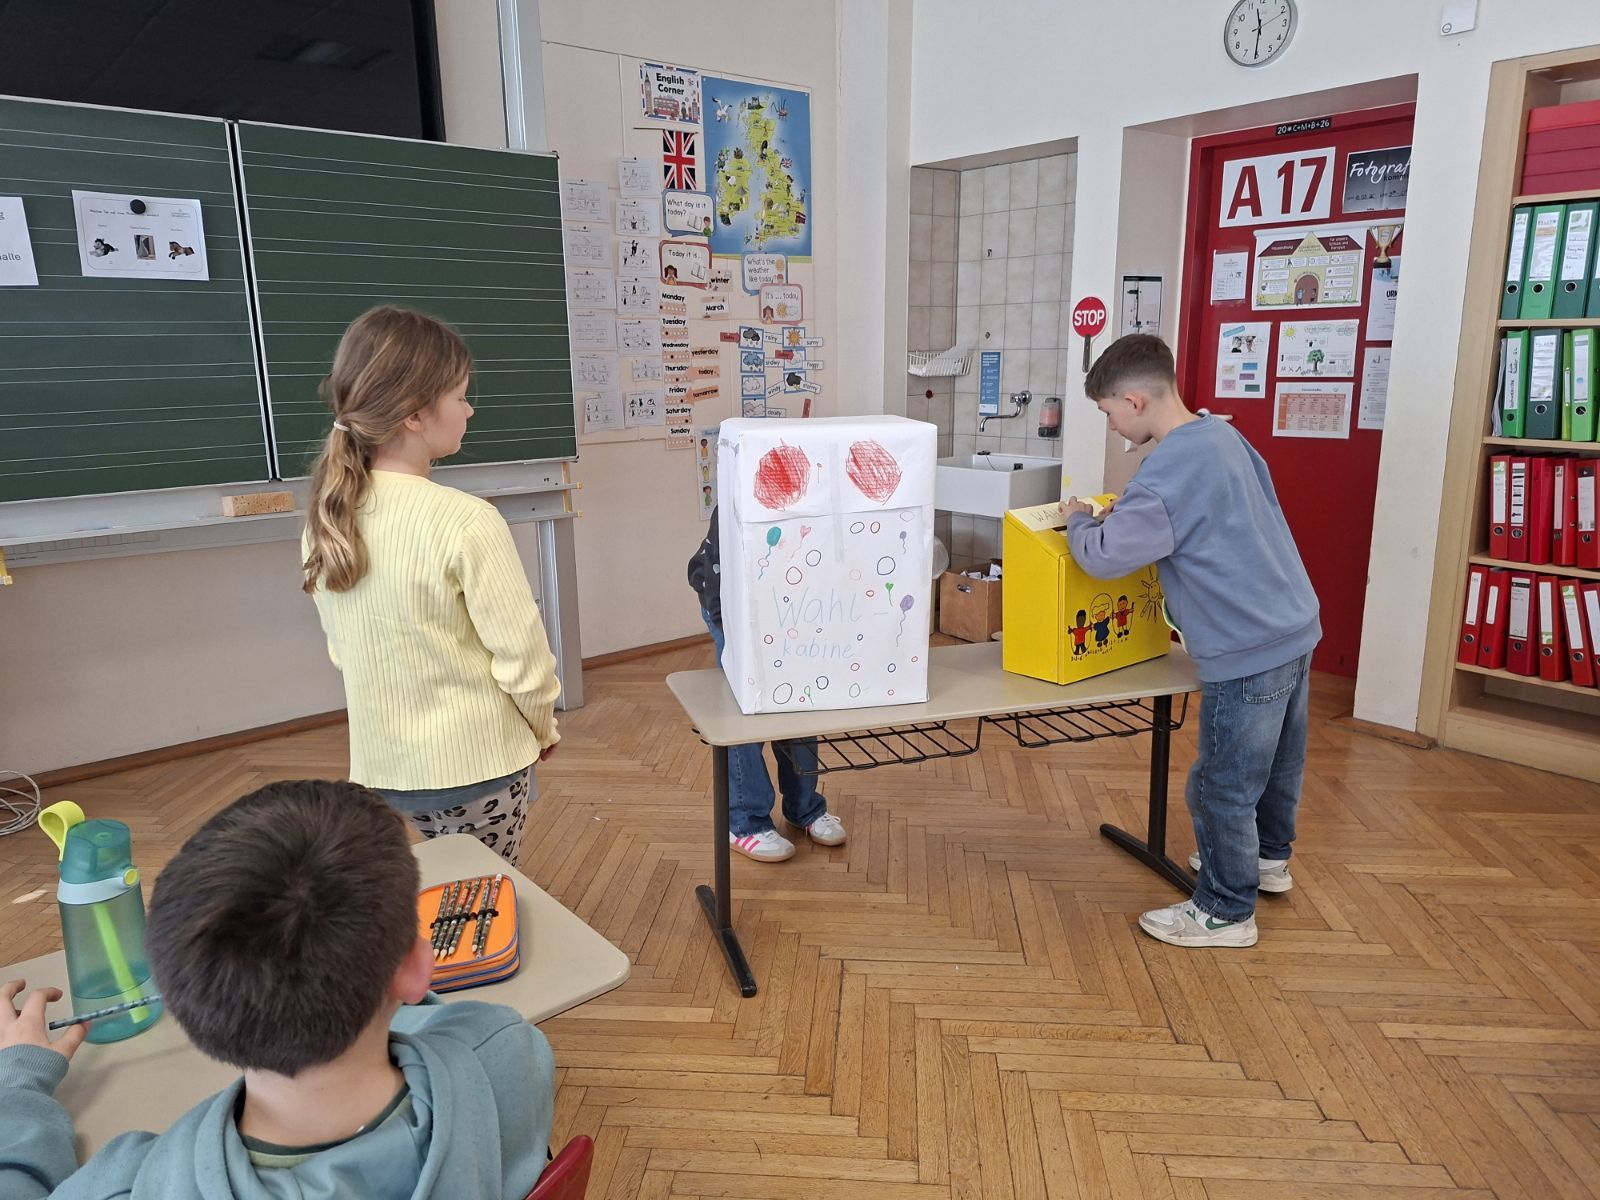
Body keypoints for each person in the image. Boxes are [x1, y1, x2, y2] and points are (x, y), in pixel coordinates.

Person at [0, 779, 555, 1197]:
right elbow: (436, 1022)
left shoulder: (134, 1183)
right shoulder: (500, 1050)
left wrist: (19, 1080)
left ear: (185, 999)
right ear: (414, 967)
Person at [1061, 334, 1319, 949]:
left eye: (1108, 413)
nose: (1112, 426)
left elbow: (1104, 557)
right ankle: (1266, 860)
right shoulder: (1221, 435)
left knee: (1220, 784)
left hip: (1243, 646)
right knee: (1278, 763)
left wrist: (1079, 519)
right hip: (1293, 623)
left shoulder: (1165, 473)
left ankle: (1226, 911)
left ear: (1134, 400)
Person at [301, 307, 560, 862]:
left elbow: (344, 652)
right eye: (461, 397)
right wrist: (542, 729)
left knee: (438, 877)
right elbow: (523, 659)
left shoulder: (328, 518)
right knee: (488, 886)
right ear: (416, 415)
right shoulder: (467, 520)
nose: (469, 409)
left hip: (387, 769)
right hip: (478, 764)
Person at [687, 507, 847, 861]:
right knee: (747, 711)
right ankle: (745, 822)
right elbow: (717, 581)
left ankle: (804, 807)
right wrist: (732, 637)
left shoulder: (818, 503)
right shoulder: (739, 504)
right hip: (728, 606)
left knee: (799, 705)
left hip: (788, 606)